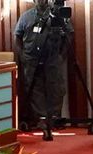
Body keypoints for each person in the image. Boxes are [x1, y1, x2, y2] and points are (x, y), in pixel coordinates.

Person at [14, 0, 73, 130]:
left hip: (52, 58)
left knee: (56, 87)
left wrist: (62, 55)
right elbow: (17, 36)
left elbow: (69, 34)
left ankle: (54, 118)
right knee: (34, 88)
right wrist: (22, 55)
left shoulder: (57, 14)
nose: (42, 1)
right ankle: (42, 118)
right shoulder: (26, 16)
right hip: (31, 58)